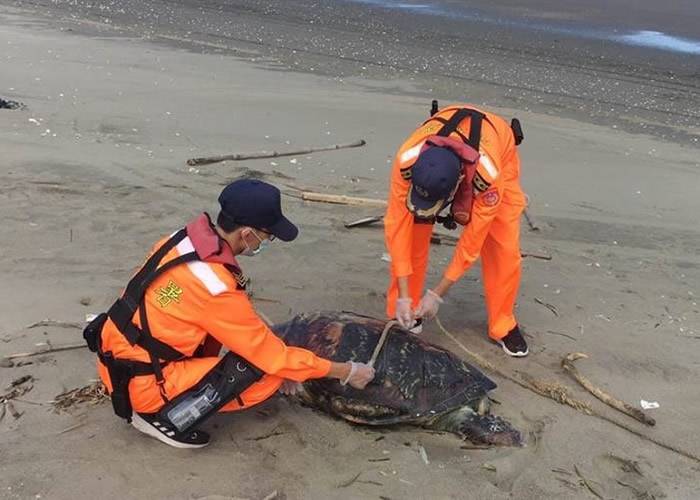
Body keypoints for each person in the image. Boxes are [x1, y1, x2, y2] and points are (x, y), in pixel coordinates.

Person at [84, 179, 375, 448]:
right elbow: (271, 355)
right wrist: (347, 372)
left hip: (116, 359)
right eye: (267, 237)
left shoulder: (182, 240)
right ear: (247, 234)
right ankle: (161, 417)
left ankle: (160, 395)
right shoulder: (214, 287)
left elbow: (200, 309)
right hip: (144, 384)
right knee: (267, 373)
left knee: (264, 355)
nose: (265, 243)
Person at [383, 103, 529, 357]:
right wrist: (404, 296)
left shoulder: (489, 176)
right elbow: (396, 229)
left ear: (458, 184)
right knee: (413, 230)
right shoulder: (407, 160)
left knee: (502, 244)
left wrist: (437, 294)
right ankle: (406, 308)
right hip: (447, 130)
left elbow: (472, 242)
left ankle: (503, 324)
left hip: (498, 148)